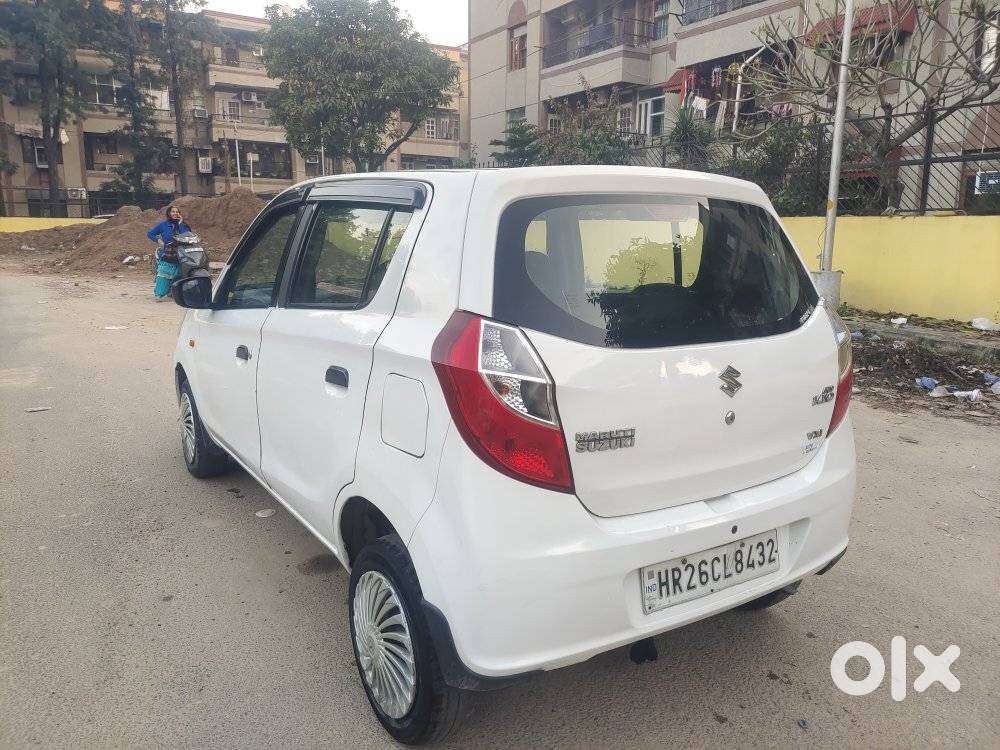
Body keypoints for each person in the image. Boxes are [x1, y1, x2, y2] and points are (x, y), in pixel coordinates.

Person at [147, 205, 191, 300]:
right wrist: (158, 240)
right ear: (168, 213)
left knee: (180, 273)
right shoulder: (163, 225)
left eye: (177, 212)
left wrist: (180, 223)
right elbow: (150, 234)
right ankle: (159, 293)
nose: (175, 213)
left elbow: (187, 235)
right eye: (173, 212)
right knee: (165, 273)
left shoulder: (183, 225)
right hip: (168, 253)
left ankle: (173, 292)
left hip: (182, 253)